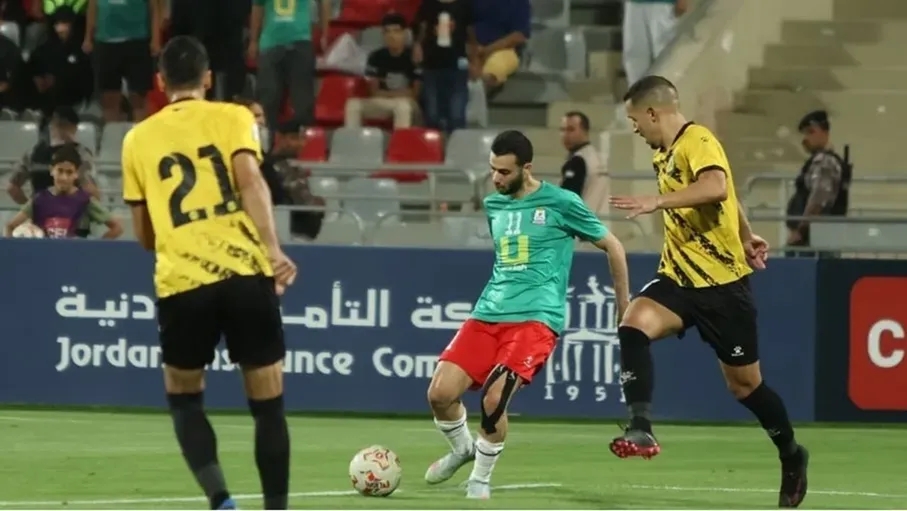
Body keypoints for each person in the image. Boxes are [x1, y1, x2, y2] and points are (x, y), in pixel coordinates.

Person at [608, 75, 809, 509]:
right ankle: (641, 427)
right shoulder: (664, 154)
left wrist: (656, 202)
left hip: (723, 289)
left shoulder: (697, 140)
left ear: (652, 112)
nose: (634, 128)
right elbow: (728, 194)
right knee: (632, 325)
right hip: (679, 277)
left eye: (634, 120)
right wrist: (747, 234)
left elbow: (717, 186)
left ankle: (792, 453)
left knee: (745, 387)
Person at [120, 36, 297, 510]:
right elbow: (250, 181)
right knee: (268, 403)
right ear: (208, 78)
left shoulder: (137, 139)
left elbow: (144, 235)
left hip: (182, 283)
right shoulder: (234, 117)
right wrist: (272, 249)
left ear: (160, 82)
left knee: (184, 398)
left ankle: (221, 500)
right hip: (245, 273)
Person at [424, 130, 631, 499]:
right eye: (493, 169)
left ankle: (479, 481)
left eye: (504, 172)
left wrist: (623, 308)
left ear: (527, 168)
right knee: (439, 394)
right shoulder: (494, 205)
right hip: (488, 313)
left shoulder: (562, 202)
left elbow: (613, 246)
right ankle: (463, 449)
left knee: (494, 399)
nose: (496, 178)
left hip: (536, 319)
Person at [248, 0, 330, 141]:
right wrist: (253, 40)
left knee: (302, 101)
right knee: (267, 99)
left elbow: (324, 2)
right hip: (270, 43)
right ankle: (267, 143)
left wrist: (325, 33)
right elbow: (257, 7)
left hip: (300, 42)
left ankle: (303, 144)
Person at [5, 144, 121, 238]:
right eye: (60, 171)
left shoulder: (85, 201)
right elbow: (10, 227)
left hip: (73, 257)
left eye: (69, 172)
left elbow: (117, 227)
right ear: (52, 170)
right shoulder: (39, 199)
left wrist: (94, 251)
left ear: (76, 174)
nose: (64, 177)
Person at [82, 0, 162, 121]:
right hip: (105, 41)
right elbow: (93, 5)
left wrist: (156, 38)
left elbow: (154, 7)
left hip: (137, 40)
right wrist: (88, 36)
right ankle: (113, 131)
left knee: (139, 96)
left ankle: (141, 130)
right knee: (109, 97)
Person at [785, 110, 850, 258]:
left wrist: (801, 231)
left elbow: (818, 201)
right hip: (815, 236)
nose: (805, 138)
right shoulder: (820, 161)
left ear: (825, 133)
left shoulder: (825, 162)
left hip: (815, 239)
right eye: (804, 134)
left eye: (811, 132)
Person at [346, 13, 421, 129]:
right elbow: (374, 92)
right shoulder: (375, 57)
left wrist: (386, 94)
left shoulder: (414, 56)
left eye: (396, 31)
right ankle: (352, 139)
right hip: (384, 102)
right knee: (353, 105)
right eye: (387, 32)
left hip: (409, 104)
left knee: (402, 107)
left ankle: (399, 140)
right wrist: (399, 94)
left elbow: (414, 94)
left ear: (405, 33)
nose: (391, 35)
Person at [413, 0, 473, 132]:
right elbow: (422, 29)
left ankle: (456, 142)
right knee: (432, 114)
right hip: (431, 65)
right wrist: (417, 46)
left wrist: (474, 60)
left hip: (457, 65)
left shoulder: (465, 5)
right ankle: (433, 142)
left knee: (457, 114)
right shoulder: (428, 4)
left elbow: (470, 34)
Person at [621, 0, 686, 85]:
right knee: (635, 57)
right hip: (633, 4)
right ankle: (638, 92)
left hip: (662, 4)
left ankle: (665, 91)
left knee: (664, 57)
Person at [559, 110, 609, 214]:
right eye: (562, 130)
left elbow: (566, 200)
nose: (565, 135)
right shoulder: (597, 158)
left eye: (571, 129)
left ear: (585, 131)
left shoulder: (578, 161)